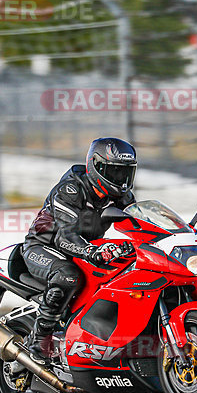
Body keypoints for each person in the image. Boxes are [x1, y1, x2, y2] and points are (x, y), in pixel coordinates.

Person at [22, 137, 137, 361]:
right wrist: (91, 252)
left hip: (83, 249)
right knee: (68, 277)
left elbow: (140, 222)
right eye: (114, 172)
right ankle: (40, 340)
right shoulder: (71, 190)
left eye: (125, 173)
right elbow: (65, 237)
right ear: (96, 166)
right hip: (44, 247)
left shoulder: (122, 196)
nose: (120, 180)